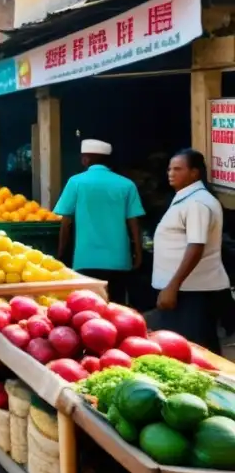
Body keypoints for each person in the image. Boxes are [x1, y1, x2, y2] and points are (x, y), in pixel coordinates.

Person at [150, 149, 230, 353]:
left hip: (191, 291)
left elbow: (196, 246)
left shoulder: (197, 203)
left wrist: (172, 286)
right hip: (184, 289)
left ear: (194, 173)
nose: (170, 173)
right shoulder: (187, 198)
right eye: (169, 169)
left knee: (195, 349)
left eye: (178, 169)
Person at [53, 139, 144, 304]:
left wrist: (61, 252)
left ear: (86, 159)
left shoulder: (76, 182)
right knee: (117, 306)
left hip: (85, 259)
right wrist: (138, 251)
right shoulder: (126, 185)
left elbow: (66, 222)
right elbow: (134, 222)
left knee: (89, 307)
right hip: (119, 259)